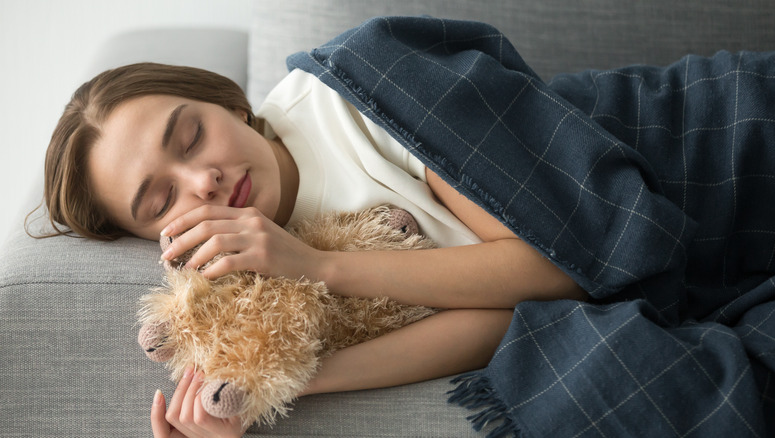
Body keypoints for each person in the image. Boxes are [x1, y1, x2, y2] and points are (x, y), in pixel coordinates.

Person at [38, 61, 585, 438]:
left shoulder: (350, 103)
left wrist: (318, 266)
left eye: (191, 138)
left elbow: (558, 268)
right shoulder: (244, 281)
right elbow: (505, 320)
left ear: (228, 102)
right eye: (161, 201)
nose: (203, 181)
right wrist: (273, 385)